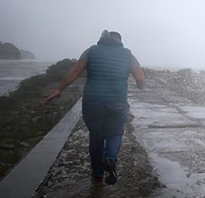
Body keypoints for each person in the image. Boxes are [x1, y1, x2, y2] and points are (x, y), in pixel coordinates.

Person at [44, 30, 145, 185]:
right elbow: (139, 77)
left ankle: (97, 175)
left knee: (96, 138)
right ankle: (110, 158)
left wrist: (59, 89)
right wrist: (140, 85)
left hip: (93, 102)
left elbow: (76, 70)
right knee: (115, 133)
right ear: (120, 41)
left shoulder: (91, 50)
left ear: (103, 39)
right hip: (117, 102)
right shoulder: (128, 55)